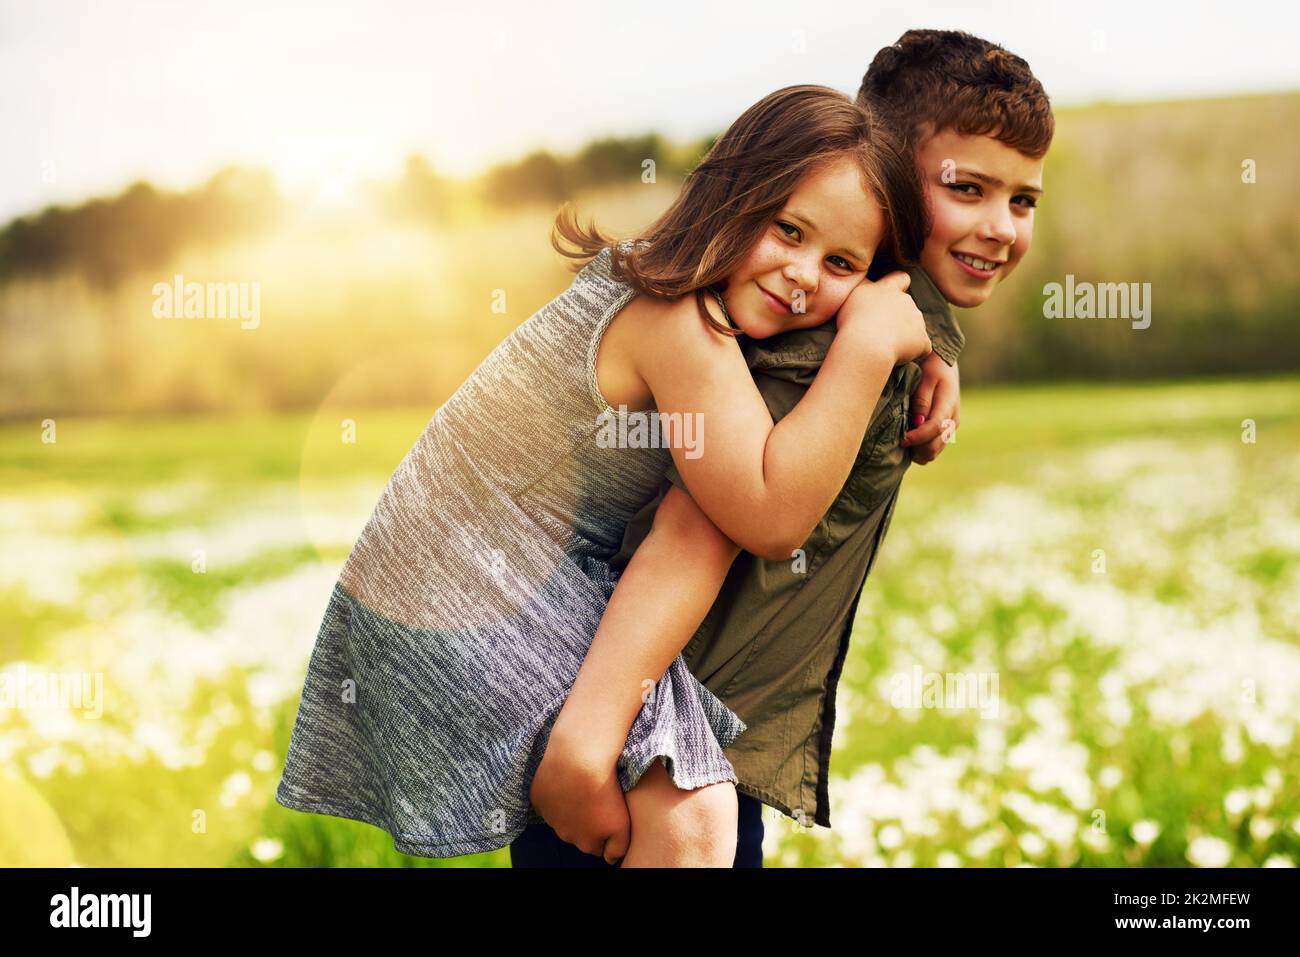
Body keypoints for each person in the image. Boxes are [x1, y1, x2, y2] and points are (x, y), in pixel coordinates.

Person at [275, 84, 933, 864]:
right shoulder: (679, 323)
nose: (801, 273)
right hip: (476, 583)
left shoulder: (650, 286)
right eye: (788, 230)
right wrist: (865, 347)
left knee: (672, 805)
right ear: (732, 197)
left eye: (841, 264)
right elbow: (768, 511)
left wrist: (932, 348)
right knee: (685, 804)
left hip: (434, 579)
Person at [523, 29, 1054, 865]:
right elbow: (695, 525)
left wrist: (938, 351)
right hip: (657, 758)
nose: (1000, 226)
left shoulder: (874, 312)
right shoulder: (822, 344)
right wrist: (601, 741)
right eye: (969, 189)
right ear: (883, 174)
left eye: (1023, 200)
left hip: (703, 751)